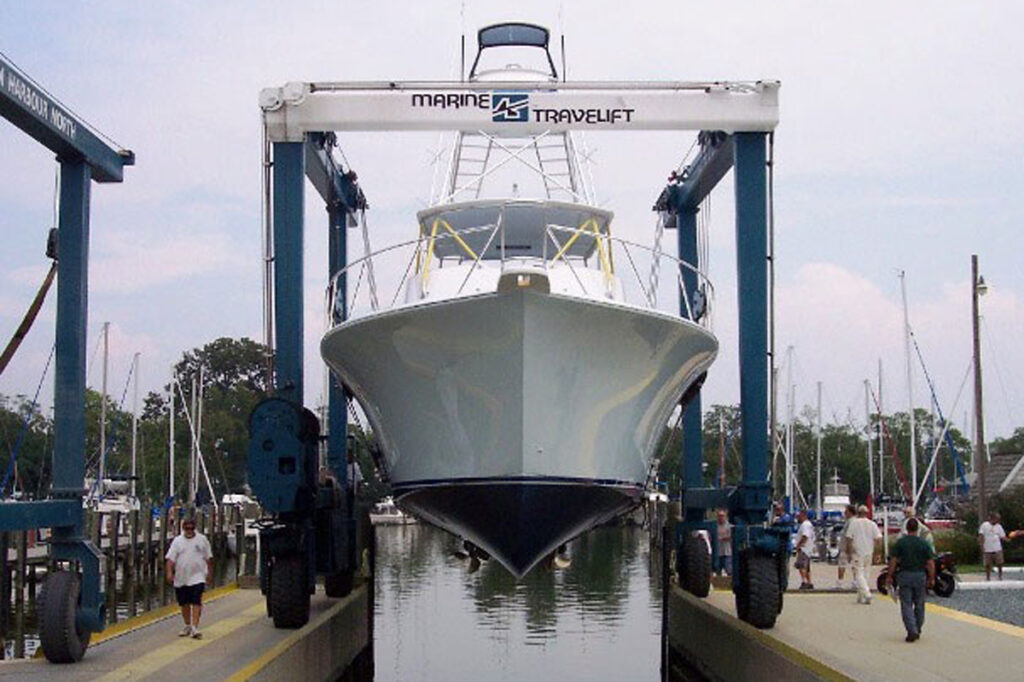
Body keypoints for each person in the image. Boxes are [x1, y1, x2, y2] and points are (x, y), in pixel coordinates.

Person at [886, 517, 935, 642]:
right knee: (919, 604)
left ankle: (911, 630)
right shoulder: (923, 543)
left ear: (907, 528)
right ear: (918, 529)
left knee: (906, 604)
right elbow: (930, 563)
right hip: (920, 575)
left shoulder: (901, 543)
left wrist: (890, 576)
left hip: (905, 575)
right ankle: (917, 627)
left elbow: (893, 561)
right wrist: (932, 578)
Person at [165, 516, 213, 639]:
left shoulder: (202, 539)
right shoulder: (177, 541)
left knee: (196, 601)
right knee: (184, 603)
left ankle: (195, 627)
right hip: (181, 577)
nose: (189, 530)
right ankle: (187, 625)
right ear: (183, 528)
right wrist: (169, 573)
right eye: (187, 528)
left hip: (198, 576)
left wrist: (210, 574)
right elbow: (170, 559)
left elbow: (208, 557)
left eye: (191, 528)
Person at [844, 504, 882, 604]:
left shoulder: (854, 523)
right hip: (869, 551)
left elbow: (849, 538)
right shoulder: (872, 524)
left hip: (857, 551)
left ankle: (866, 593)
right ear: (867, 513)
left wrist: (848, 551)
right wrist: (878, 553)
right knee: (866, 573)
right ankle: (861, 596)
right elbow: (878, 539)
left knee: (858, 574)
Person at [979, 512, 1008, 581]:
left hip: (997, 548)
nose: (998, 521)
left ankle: (1000, 576)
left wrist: (1007, 539)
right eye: (996, 519)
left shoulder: (999, 526)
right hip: (987, 548)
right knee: (987, 564)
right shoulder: (984, 525)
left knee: (1000, 563)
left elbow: (1002, 536)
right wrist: (982, 545)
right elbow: (981, 535)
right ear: (992, 518)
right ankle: (988, 577)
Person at [794, 509, 815, 590]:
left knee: (802, 566)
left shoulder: (805, 525)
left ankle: (804, 582)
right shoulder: (809, 524)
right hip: (808, 548)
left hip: (804, 548)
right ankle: (809, 582)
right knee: (807, 567)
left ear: (803, 515)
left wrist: (798, 545)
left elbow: (805, 536)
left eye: (799, 515)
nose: (797, 517)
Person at [837, 504, 855, 589]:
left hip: (846, 547)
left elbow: (849, 536)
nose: (844, 513)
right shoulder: (852, 521)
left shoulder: (851, 522)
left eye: (846, 511)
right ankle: (855, 581)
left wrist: (848, 548)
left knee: (842, 565)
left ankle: (840, 582)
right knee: (854, 565)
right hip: (850, 547)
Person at [714, 509, 732, 576]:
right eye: (719, 516)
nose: (720, 517)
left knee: (729, 569)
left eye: (722, 516)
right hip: (718, 552)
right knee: (717, 570)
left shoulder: (729, 526)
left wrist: (722, 538)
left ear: (725, 516)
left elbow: (731, 536)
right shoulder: (715, 526)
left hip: (727, 552)